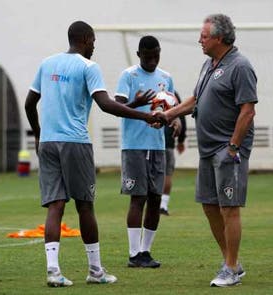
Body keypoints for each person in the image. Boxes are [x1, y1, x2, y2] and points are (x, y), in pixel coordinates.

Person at [24, 21, 161, 287]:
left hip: (49, 143)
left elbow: (30, 103)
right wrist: (144, 117)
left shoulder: (47, 63)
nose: (95, 45)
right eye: (94, 41)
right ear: (85, 39)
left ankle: (53, 271)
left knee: (55, 206)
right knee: (85, 205)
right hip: (75, 143)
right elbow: (106, 104)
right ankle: (95, 271)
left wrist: (39, 134)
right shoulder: (88, 67)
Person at [157, 14, 257, 287]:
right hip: (207, 150)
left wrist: (234, 147)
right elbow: (196, 99)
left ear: (220, 38)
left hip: (228, 150)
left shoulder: (240, 66)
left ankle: (231, 268)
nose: (199, 40)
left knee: (229, 209)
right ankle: (230, 262)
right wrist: (169, 115)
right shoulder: (208, 64)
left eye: (204, 36)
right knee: (210, 206)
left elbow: (248, 111)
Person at [115, 35, 179, 268]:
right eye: (148, 56)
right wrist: (137, 102)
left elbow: (172, 108)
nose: (152, 60)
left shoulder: (166, 78)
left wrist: (176, 121)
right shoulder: (129, 76)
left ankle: (146, 251)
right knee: (137, 198)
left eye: (156, 56)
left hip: (157, 146)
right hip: (134, 146)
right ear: (139, 54)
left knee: (154, 199)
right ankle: (133, 254)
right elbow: (117, 107)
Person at [160, 91, 187, 216]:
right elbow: (181, 116)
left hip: (150, 142)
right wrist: (181, 140)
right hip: (168, 140)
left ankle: (154, 204)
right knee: (167, 174)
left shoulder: (148, 91)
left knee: (152, 175)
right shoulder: (172, 93)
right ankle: (163, 205)